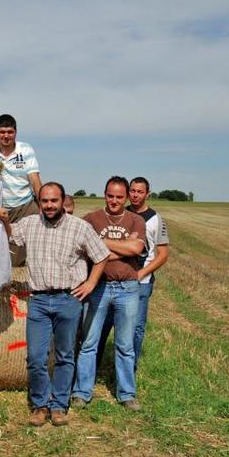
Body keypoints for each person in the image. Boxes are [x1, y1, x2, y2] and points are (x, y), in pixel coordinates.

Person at [0, 182, 109, 427]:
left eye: (53, 201)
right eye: (44, 201)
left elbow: (101, 256)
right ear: (39, 203)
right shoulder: (30, 224)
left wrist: (90, 283)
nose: (48, 205)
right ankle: (40, 405)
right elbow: (10, 236)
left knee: (65, 356)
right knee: (36, 358)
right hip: (37, 300)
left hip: (68, 300)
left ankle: (58, 406)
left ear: (62, 201)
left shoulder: (80, 227)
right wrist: (4, 220)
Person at [72, 176, 146, 411]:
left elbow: (136, 248)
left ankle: (127, 394)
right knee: (89, 342)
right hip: (98, 287)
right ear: (105, 194)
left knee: (125, 345)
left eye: (119, 197)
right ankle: (82, 392)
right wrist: (122, 247)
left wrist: (101, 243)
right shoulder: (91, 219)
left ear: (126, 198)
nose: (114, 201)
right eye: (110, 196)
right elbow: (86, 251)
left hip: (128, 288)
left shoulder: (135, 220)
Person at [95, 177, 170, 372]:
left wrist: (141, 273)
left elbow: (162, 255)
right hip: (115, 279)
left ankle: (131, 368)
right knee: (103, 325)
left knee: (135, 328)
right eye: (133, 191)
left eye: (140, 192)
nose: (135, 195)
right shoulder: (122, 214)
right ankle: (95, 366)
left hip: (141, 282)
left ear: (148, 194)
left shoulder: (155, 219)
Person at [0, 114, 41, 265]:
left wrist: (43, 203)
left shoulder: (25, 149)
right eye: (2, 132)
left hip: (24, 206)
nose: (6, 136)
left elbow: (35, 179)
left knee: (15, 260)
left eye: (10, 132)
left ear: (15, 132)